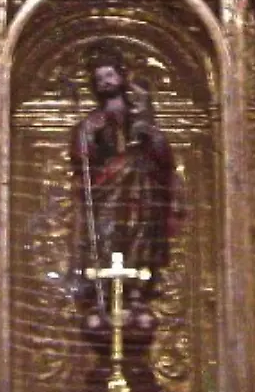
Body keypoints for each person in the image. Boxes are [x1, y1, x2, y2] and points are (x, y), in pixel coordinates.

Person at [70, 51, 181, 332]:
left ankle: (136, 295)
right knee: (106, 238)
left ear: (121, 76)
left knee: (140, 239)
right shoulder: (92, 121)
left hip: (140, 195)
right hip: (108, 194)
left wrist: (151, 136)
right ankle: (102, 296)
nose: (105, 82)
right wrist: (85, 136)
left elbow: (164, 158)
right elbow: (82, 158)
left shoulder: (140, 115)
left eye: (109, 75)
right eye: (99, 79)